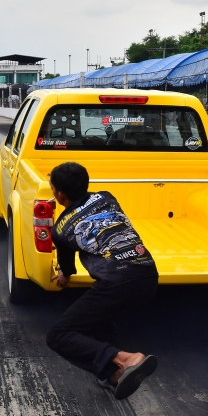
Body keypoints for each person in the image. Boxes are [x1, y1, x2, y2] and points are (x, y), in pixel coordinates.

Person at [46, 162, 158, 400]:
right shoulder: (106, 197)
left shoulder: (61, 228)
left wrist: (64, 275)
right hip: (148, 274)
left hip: (118, 282)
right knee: (97, 318)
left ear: (59, 194)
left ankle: (126, 359)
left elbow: (68, 268)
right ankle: (113, 375)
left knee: (59, 335)